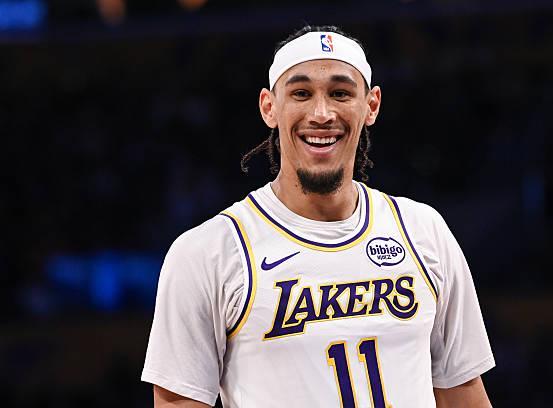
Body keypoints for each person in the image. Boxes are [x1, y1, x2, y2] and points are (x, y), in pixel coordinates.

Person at [142, 25, 495, 408]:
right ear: (269, 107)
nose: (322, 114)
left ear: (371, 105)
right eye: (301, 94)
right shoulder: (208, 252)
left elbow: (464, 395)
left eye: (340, 93)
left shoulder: (424, 231)